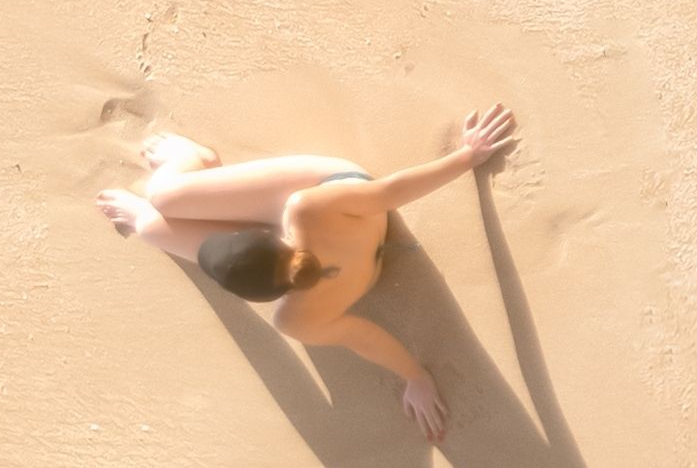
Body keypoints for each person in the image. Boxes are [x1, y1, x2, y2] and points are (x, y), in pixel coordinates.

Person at [102, 106, 522, 442]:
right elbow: (391, 194)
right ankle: (180, 180)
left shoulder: (293, 317)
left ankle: (190, 164)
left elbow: (367, 339)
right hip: (345, 205)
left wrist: (417, 378)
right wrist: (470, 156)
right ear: (262, 235)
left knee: (158, 210)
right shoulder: (307, 211)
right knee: (158, 210)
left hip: (335, 199)